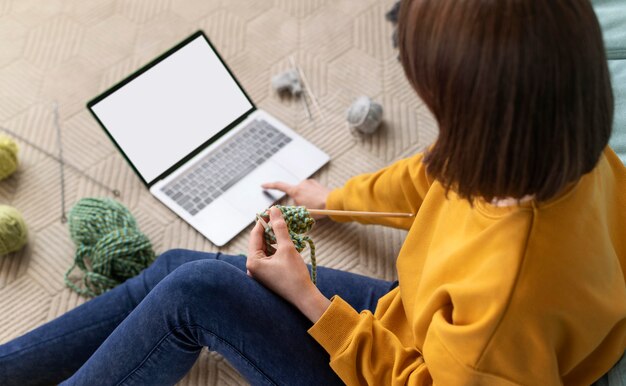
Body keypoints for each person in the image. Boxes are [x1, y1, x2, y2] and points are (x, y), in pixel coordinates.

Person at [1, 0, 625, 384]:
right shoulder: (567, 149)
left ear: (483, 125)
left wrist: (309, 302)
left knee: (195, 293)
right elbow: (431, 175)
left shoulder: (505, 306)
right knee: (175, 268)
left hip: (424, 367)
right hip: (423, 323)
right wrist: (333, 198)